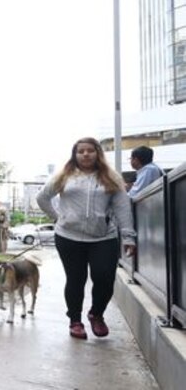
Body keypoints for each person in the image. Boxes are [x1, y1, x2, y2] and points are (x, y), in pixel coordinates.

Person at [36, 137, 136, 340]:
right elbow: (42, 197)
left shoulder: (111, 177)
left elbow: (122, 207)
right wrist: (58, 217)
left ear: (97, 153)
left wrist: (128, 237)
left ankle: (96, 314)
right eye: (81, 151)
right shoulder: (64, 176)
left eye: (90, 150)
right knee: (75, 279)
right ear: (75, 154)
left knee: (104, 278)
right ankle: (75, 321)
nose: (85, 154)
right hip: (68, 237)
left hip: (103, 237)